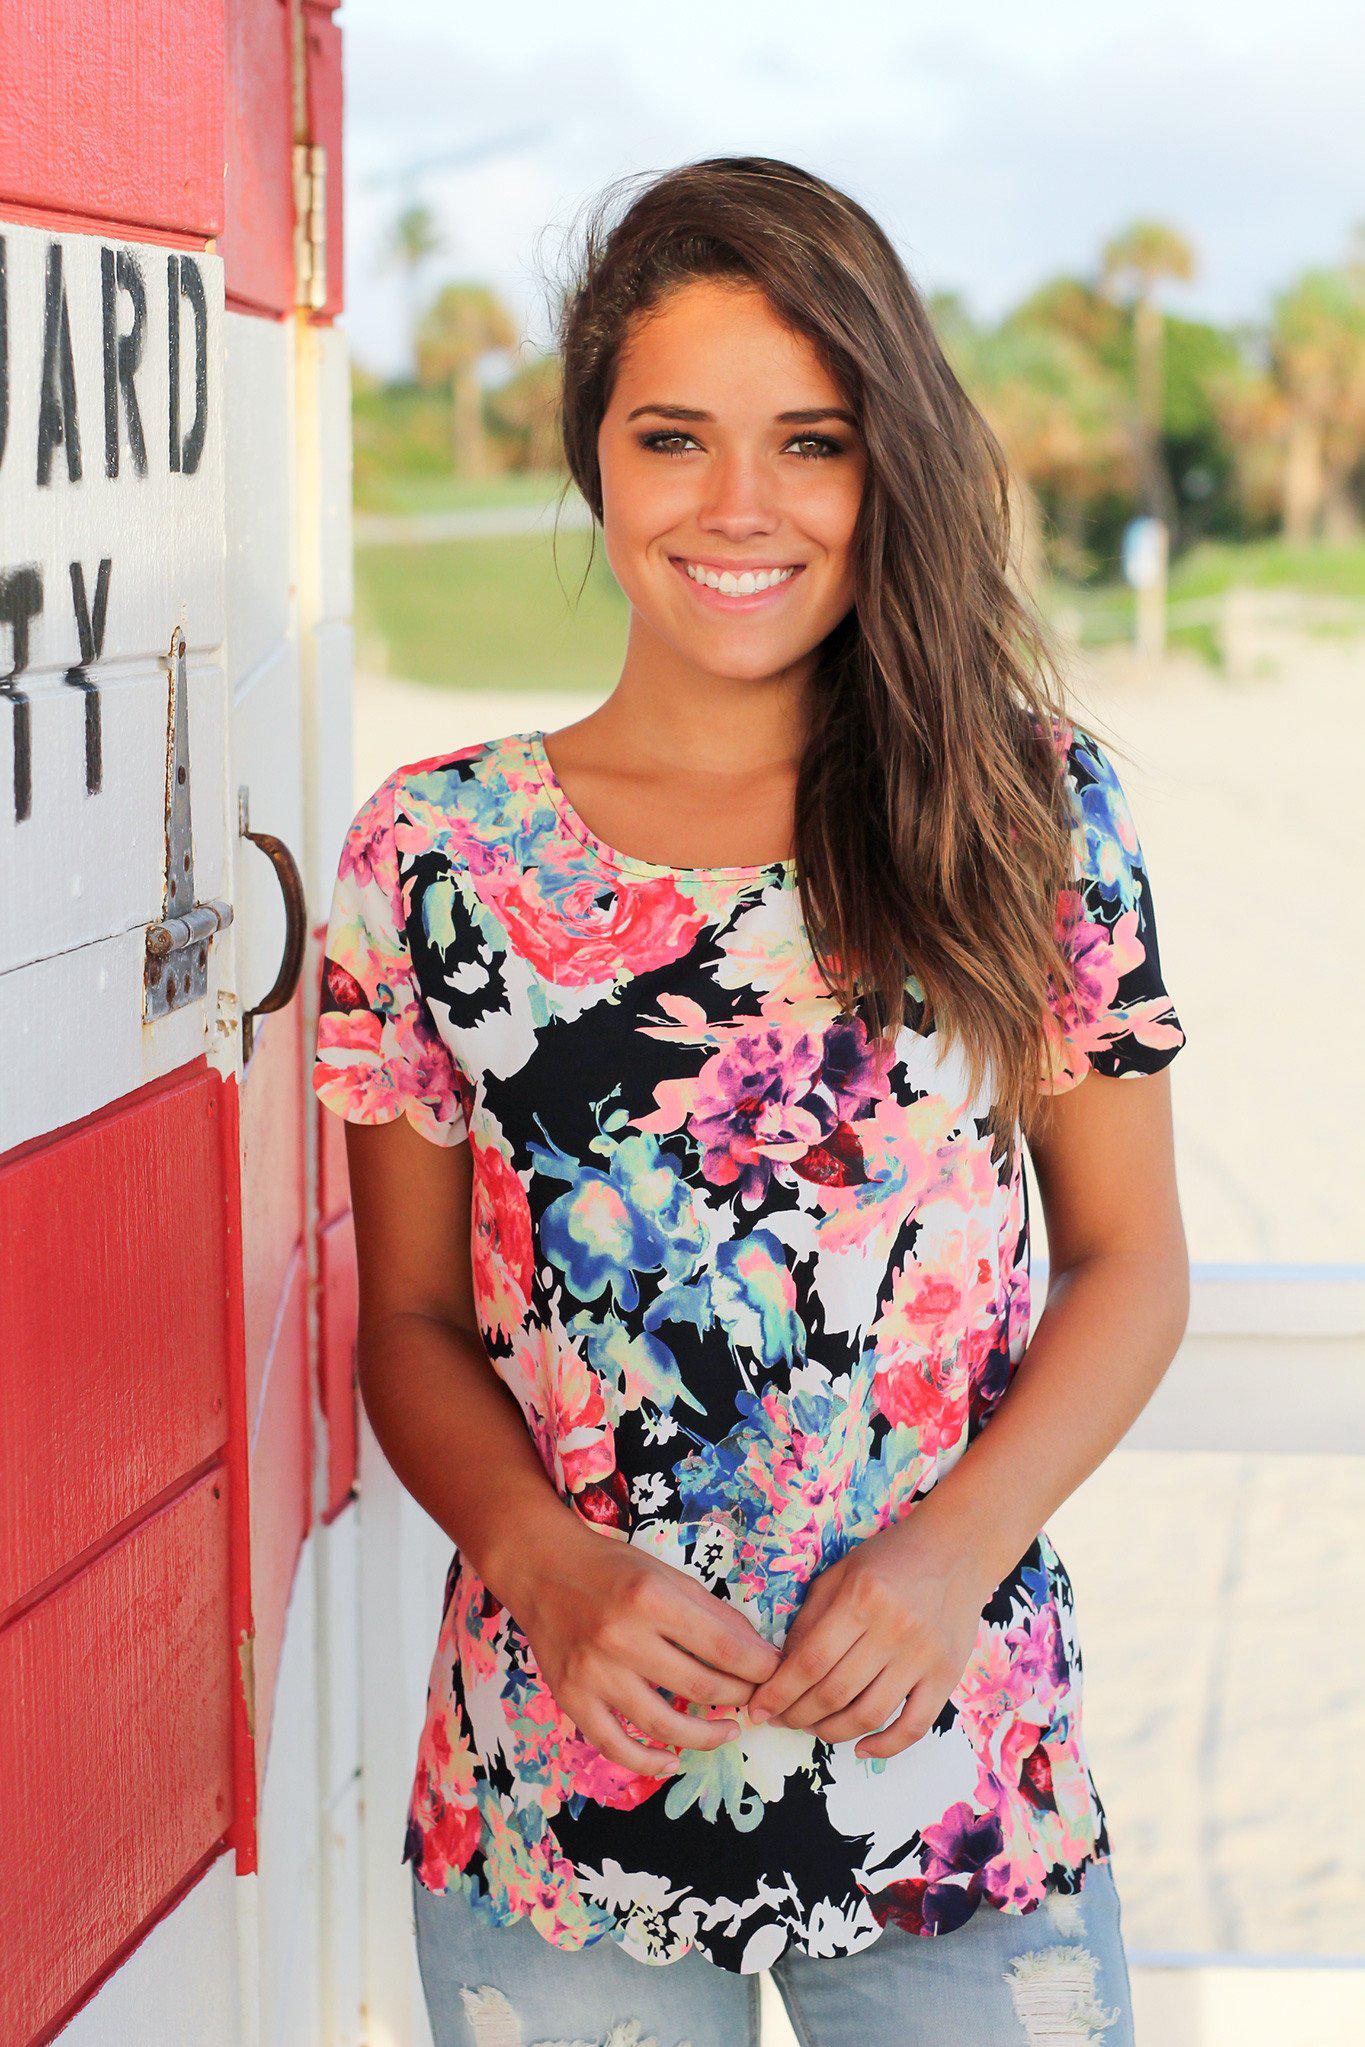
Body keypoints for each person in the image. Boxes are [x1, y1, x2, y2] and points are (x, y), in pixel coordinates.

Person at [312, 156, 1189, 2047]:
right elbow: (401, 1324)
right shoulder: (433, 860)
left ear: (887, 468)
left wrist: (950, 1555)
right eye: (673, 437)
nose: (739, 506)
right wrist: (542, 1568)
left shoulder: (1024, 816)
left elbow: (1130, 1266)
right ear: (594, 459)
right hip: (556, 1806)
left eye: (809, 442)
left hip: (954, 1778)